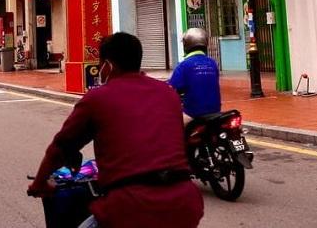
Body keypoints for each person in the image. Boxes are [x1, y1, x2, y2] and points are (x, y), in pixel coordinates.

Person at [28, 32, 203, 228]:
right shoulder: (168, 93)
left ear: (108, 65)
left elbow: (60, 148)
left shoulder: (97, 99)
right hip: (185, 206)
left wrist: (39, 183)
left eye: (99, 65)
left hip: (129, 208)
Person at [168, 28, 221, 123]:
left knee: (173, 125)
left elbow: (172, 88)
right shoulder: (213, 63)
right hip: (215, 112)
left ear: (186, 45)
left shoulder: (184, 65)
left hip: (193, 113)